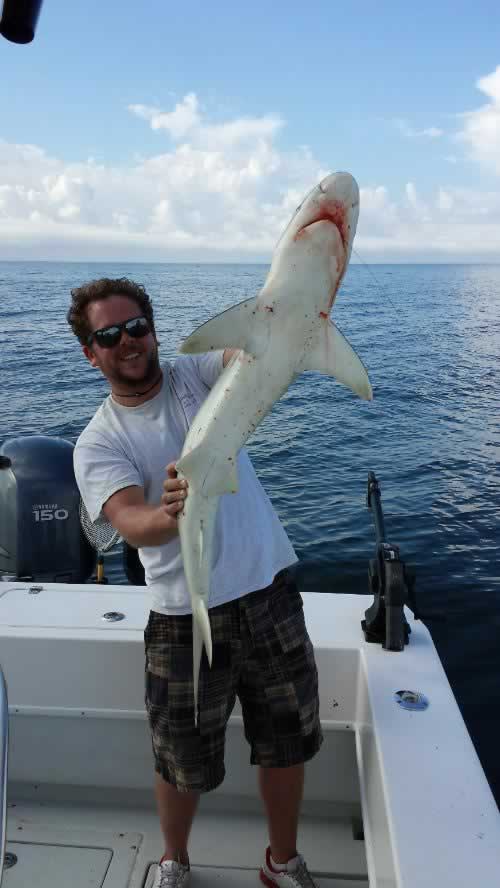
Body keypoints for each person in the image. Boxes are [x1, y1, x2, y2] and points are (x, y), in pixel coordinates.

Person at [68, 277, 323, 888]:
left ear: (153, 330)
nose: (128, 341)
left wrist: (284, 315)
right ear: (91, 353)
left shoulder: (197, 374)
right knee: (180, 759)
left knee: (286, 742)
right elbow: (131, 522)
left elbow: (250, 357)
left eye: (137, 326)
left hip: (268, 593)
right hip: (183, 617)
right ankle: (174, 861)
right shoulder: (98, 441)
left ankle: (281, 862)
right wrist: (169, 512)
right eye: (109, 335)